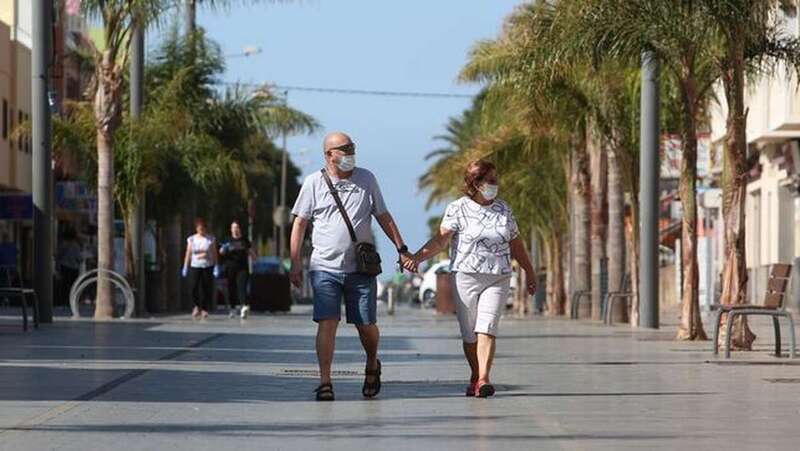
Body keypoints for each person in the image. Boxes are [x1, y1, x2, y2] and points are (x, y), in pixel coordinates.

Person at [290, 131, 417, 401]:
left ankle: (372, 362)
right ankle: (325, 381)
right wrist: (295, 262)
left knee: (365, 324)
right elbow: (300, 223)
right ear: (329, 155)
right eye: (345, 148)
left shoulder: (366, 179)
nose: (351, 152)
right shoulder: (313, 183)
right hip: (324, 267)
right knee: (327, 322)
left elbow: (383, 215)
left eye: (352, 147)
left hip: (360, 267)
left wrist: (401, 248)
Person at [411, 159, 536, 398]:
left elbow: (516, 244)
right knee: (469, 333)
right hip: (465, 276)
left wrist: (529, 271)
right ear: (476, 184)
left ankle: (484, 379)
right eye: (490, 180)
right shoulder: (457, 208)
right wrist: (417, 257)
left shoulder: (504, 209)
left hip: (498, 276)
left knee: (487, 327)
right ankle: (476, 374)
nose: (495, 184)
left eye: (496, 179)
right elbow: (441, 241)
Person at [182, 217, 219, 320]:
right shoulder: (191, 239)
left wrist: (216, 265)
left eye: (203, 228)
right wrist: (185, 266)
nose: (201, 230)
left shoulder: (210, 239)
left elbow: (214, 253)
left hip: (207, 265)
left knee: (206, 287)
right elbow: (188, 253)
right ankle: (196, 305)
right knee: (194, 287)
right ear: (196, 228)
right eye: (199, 228)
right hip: (195, 265)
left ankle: (204, 308)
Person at [219, 220, 256, 319]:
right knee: (231, 288)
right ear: (231, 229)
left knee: (242, 287)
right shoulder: (227, 240)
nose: (235, 229)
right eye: (233, 227)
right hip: (230, 268)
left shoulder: (244, 240)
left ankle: (244, 306)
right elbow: (221, 252)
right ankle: (232, 308)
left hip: (242, 268)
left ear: (239, 229)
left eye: (237, 227)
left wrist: (254, 258)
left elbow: (250, 251)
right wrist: (223, 249)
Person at [57, 226, 82, 306]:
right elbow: (79, 258)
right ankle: (71, 302)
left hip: (64, 267)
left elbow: (58, 256)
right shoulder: (76, 245)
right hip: (74, 268)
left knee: (64, 285)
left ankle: (63, 301)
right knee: (73, 285)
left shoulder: (63, 245)